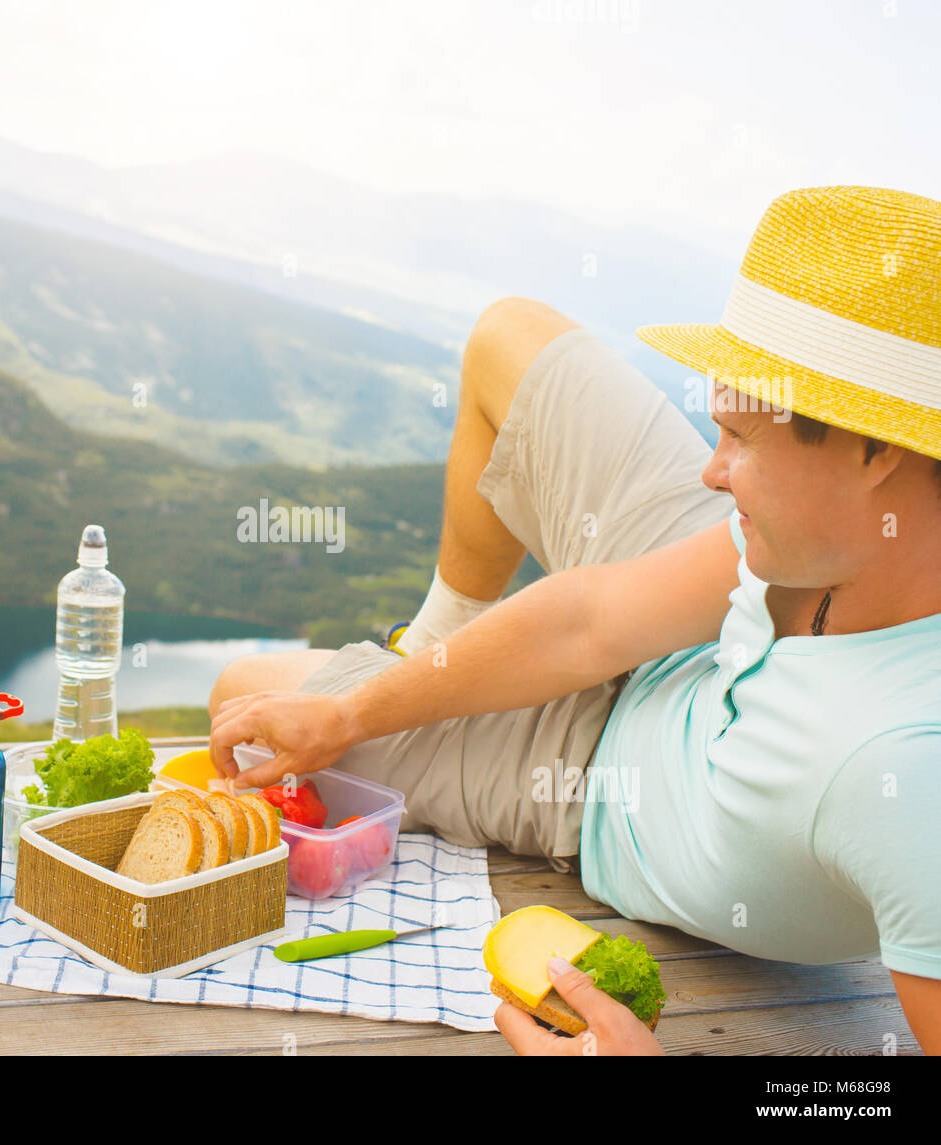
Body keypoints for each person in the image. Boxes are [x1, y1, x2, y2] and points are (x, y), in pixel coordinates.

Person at [208, 186, 941, 1056]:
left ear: (878, 449)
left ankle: (427, 684)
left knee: (243, 703)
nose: (713, 469)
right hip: (698, 627)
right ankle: (434, 641)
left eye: (741, 436)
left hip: (596, 772)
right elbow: (589, 621)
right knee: (507, 337)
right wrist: (349, 712)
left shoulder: (903, 775)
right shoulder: (824, 533)